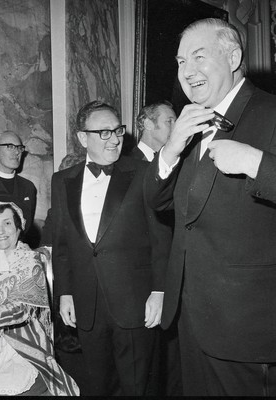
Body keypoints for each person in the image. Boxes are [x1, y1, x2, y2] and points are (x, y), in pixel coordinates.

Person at [145, 18, 276, 396]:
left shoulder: (271, 110)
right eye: (181, 61)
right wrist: (169, 150)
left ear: (233, 56)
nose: (187, 71)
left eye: (199, 57)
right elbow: (158, 201)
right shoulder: (191, 124)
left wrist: (255, 162)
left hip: (248, 327)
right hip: (191, 321)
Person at [51, 100, 172, 396]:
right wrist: (65, 292)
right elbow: (63, 243)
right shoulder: (61, 180)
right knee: (96, 387)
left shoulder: (144, 172)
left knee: (137, 388)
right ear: (83, 138)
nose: (115, 139)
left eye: (117, 130)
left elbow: (161, 238)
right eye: (104, 133)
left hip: (135, 304)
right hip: (87, 306)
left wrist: (160, 292)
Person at [0, 198, 79, 396]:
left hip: (19, 345)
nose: (1, 231)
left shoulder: (30, 262)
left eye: (7, 223)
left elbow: (20, 311)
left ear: (18, 227)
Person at [130, 101, 182, 396]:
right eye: (170, 121)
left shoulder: (181, 161)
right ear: (148, 125)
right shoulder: (127, 164)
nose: (176, 128)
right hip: (148, 278)